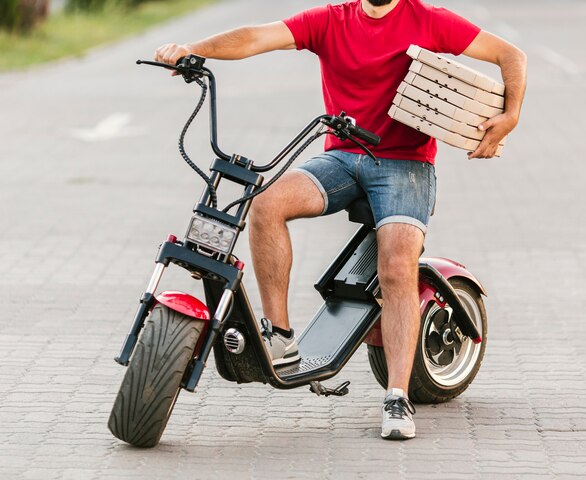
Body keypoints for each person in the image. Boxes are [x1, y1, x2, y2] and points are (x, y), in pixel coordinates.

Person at [155, 0, 527, 440]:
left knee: (396, 266)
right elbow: (257, 37)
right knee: (266, 203)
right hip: (343, 158)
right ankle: (281, 335)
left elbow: (511, 56)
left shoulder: (429, 20)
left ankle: (397, 396)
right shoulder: (329, 20)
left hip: (405, 164)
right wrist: (191, 49)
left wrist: (510, 116)